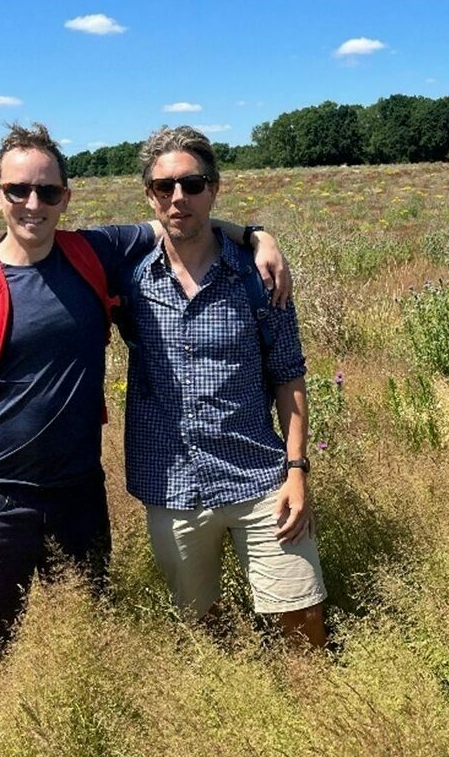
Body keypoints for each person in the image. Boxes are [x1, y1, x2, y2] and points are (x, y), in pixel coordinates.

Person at [0, 122, 289, 709]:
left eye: (48, 192)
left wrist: (257, 235)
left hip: (79, 491)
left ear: (66, 198)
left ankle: (80, 735)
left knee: (85, 627)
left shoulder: (92, 253)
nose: (32, 204)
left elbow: (181, 222)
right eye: (17, 190)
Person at [121, 127, 326, 647]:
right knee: (205, 630)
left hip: (262, 480)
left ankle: (314, 715)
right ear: (149, 194)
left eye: (192, 184)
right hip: (172, 486)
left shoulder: (259, 277)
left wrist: (297, 470)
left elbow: (289, 375)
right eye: (164, 186)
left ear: (215, 188)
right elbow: (41, 245)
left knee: (301, 622)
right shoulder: (129, 279)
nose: (178, 197)